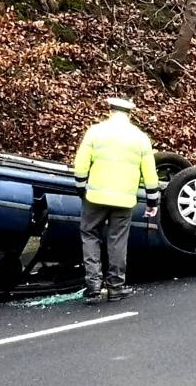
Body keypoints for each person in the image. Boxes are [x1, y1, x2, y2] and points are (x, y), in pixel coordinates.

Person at [73, 97, 160, 304]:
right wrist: (152, 202)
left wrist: (80, 187)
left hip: (95, 196)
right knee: (117, 240)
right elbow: (150, 174)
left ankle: (93, 284)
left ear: (110, 111)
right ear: (129, 114)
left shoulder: (95, 131)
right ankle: (116, 287)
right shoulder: (140, 138)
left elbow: (80, 164)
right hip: (124, 199)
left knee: (89, 234)